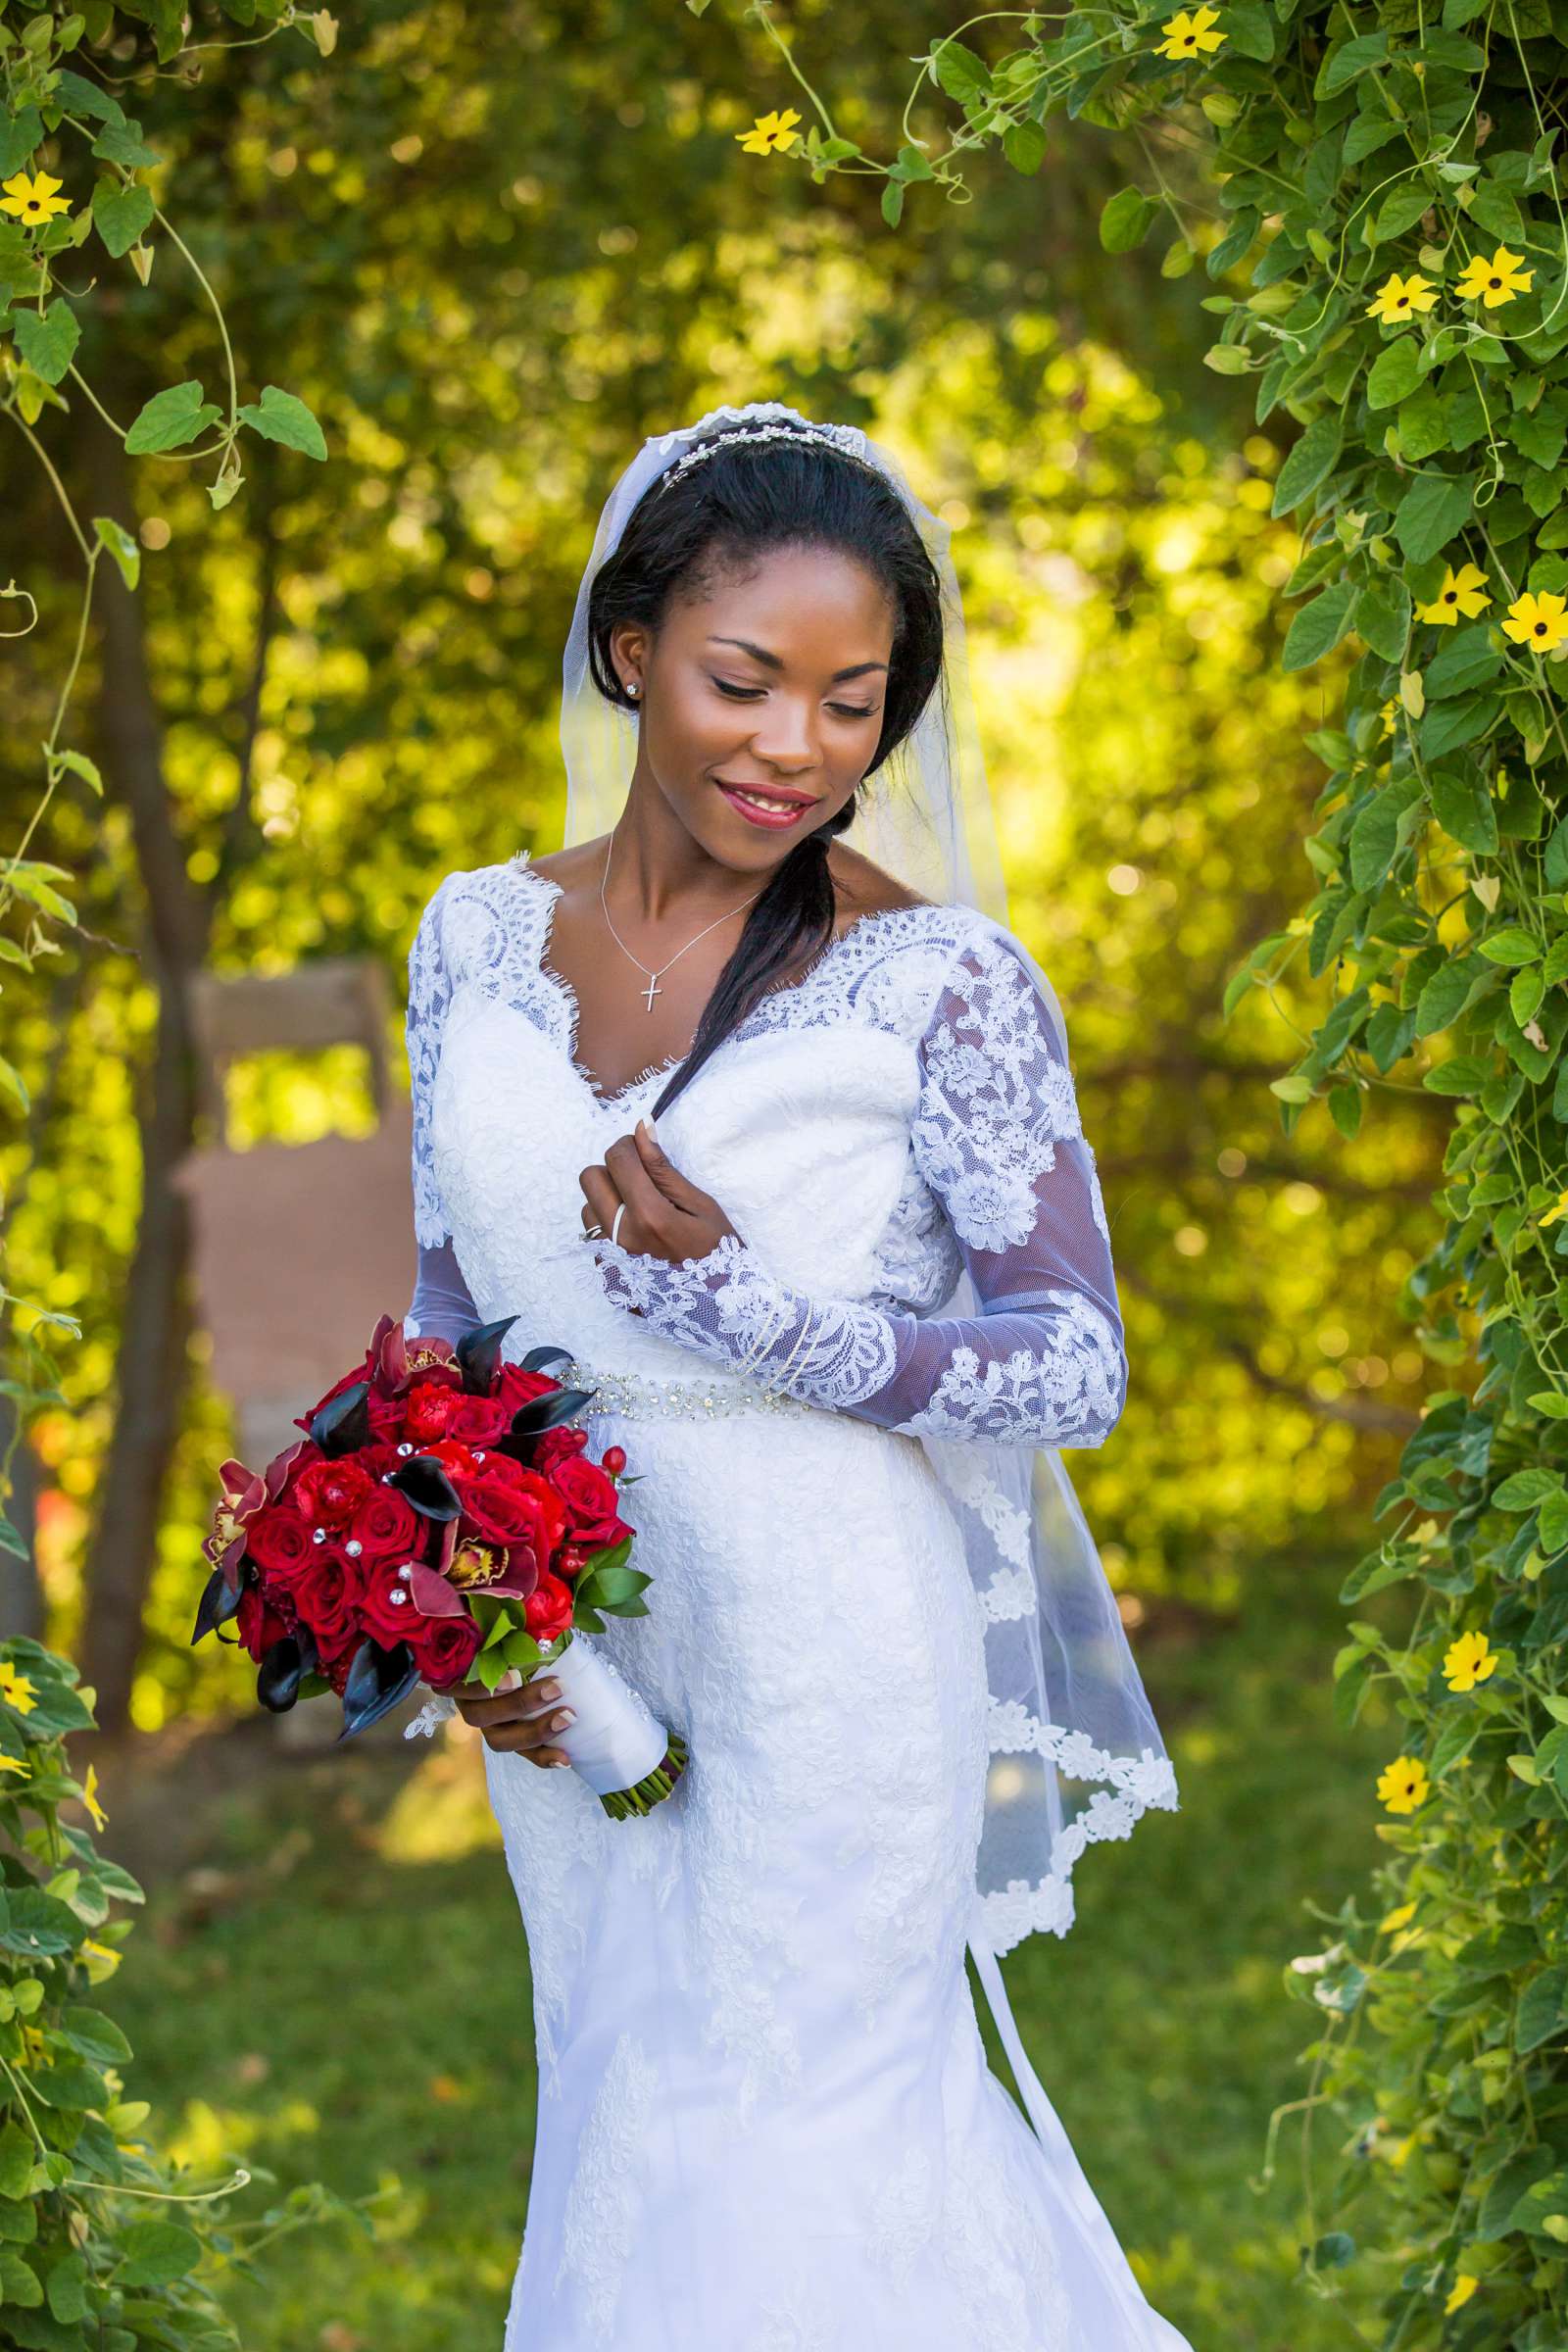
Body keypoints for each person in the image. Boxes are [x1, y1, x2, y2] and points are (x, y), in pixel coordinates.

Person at [401, 402, 1190, 2349]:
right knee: (630, 2114)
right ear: (631, 652)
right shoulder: (474, 941)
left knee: (799, 2125)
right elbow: (443, 1325)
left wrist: (763, 1319)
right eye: (746, 683)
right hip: (580, 1649)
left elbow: (1070, 1363)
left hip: (833, 1636)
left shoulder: (944, 978)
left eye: (855, 703)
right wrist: (456, 1595)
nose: (796, 749)